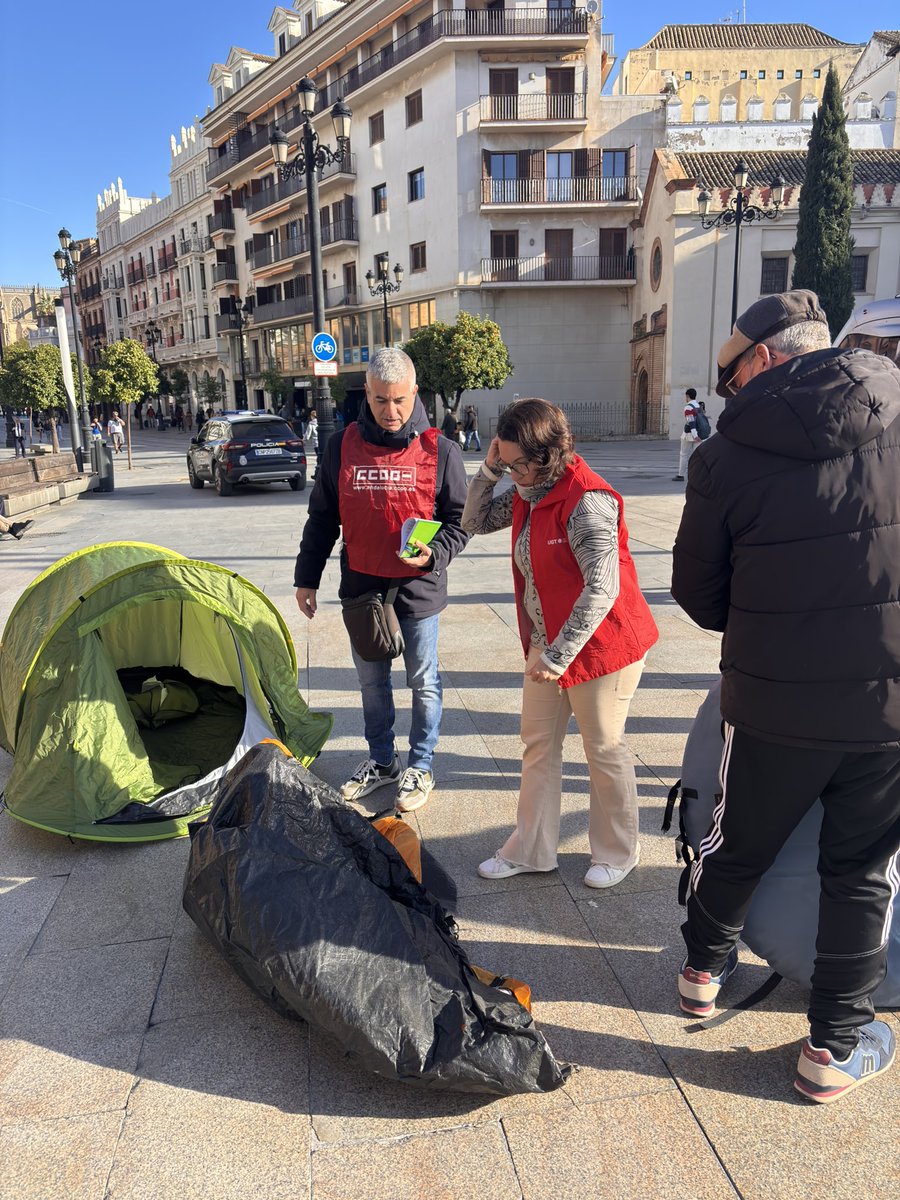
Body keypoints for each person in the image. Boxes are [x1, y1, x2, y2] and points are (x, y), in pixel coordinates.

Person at [671, 289, 900, 1104]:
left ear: (766, 358)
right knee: (862, 873)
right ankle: (833, 1050)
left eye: (732, 373)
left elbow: (697, 595)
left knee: (737, 842)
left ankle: (703, 970)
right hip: (887, 710)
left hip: (771, 702)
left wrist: (772, 613)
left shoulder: (725, 456)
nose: (730, 390)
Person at [462, 398, 658, 887]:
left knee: (603, 748)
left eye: (516, 465)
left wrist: (557, 654)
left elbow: (603, 588)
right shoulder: (529, 492)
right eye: (505, 463)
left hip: (602, 646)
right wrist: (487, 472)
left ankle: (617, 850)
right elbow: (475, 521)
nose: (512, 474)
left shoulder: (587, 499)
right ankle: (531, 849)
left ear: (546, 455)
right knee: (538, 745)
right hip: (551, 642)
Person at [294, 347, 470, 813]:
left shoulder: (442, 451)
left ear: (415, 393)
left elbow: (460, 521)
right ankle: (382, 760)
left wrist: (436, 554)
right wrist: (306, 578)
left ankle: (421, 764)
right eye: (379, 401)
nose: (391, 413)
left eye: (399, 401)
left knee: (423, 680)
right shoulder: (340, 446)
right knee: (371, 683)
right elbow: (322, 518)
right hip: (361, 590)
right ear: (365, 395)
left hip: (417, 591)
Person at [673, 388, 701, 481]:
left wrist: (694, 434)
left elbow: (691, 421)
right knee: (696, 455)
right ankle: (696, 474)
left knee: (684, 454)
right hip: (699, 434)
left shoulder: (688, 407)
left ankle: (681, 475)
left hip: (689, 434)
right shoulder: (698, 406)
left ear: (687, 396)